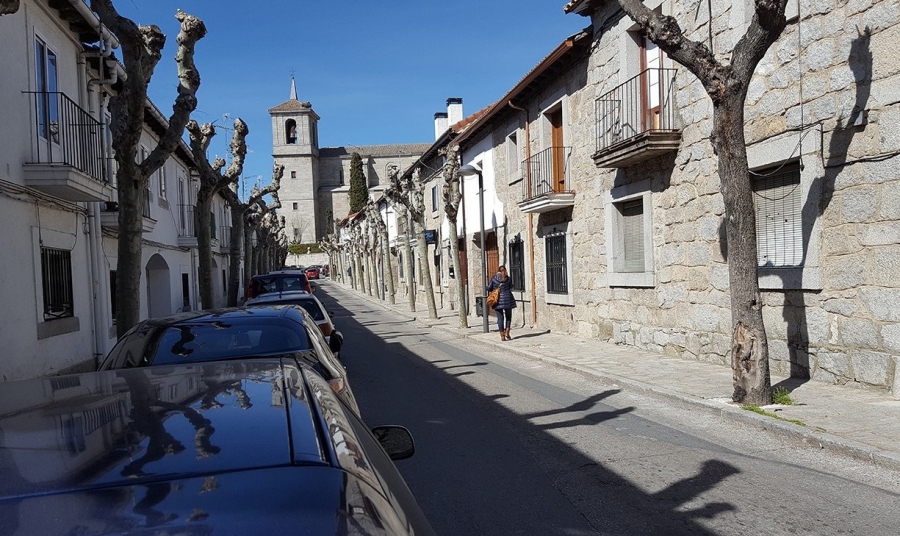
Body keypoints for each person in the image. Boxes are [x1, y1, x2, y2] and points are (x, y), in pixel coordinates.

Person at [486, 265, 516, 341]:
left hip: (498, 300)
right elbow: (511, 287)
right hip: (508, 299)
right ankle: (508, 332)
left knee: (500, 318)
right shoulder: (508, 279)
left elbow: (489, 288)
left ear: (498, 271)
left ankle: (502, 335)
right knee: (508, 316)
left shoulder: (494, 278)